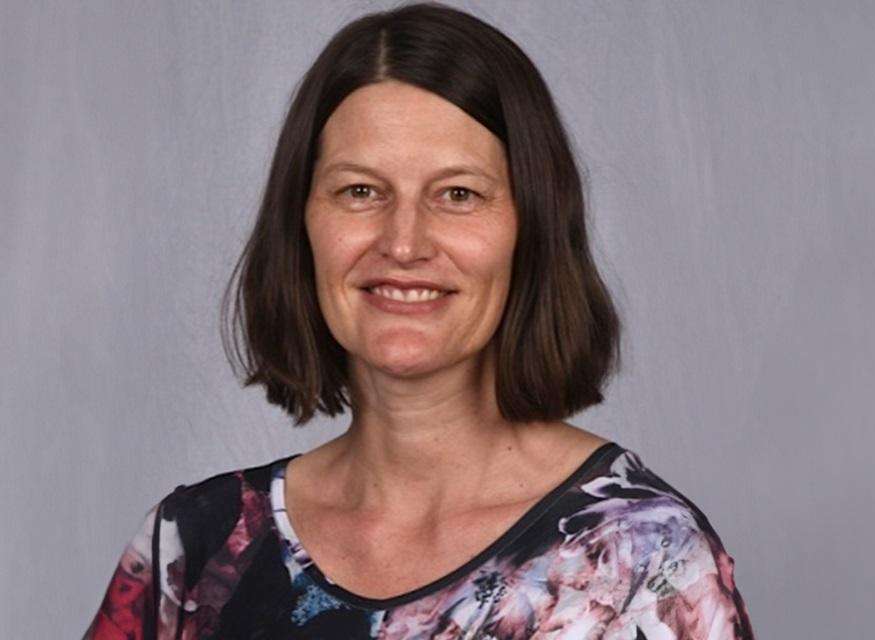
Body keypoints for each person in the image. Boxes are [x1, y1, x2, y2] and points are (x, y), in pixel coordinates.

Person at [83, 2, 755, 638]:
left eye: (458, 194)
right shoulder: (193, 553)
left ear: (532, 228)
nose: (404, 244)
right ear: (302, 225)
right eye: (361, 191)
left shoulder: (644, 561)